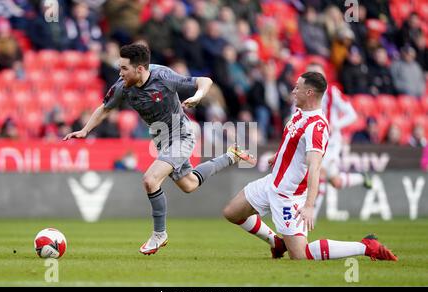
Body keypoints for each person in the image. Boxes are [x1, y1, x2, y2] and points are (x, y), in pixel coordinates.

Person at [63, 43, 256, 255]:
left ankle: (159, 234)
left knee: (150, 179)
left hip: (182, 135)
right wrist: (85, 130)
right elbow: (105, 108)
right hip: (162, 140)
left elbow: (205, 80)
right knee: (189, 184)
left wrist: (198, 96)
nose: (120, 73)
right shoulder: (122, 86)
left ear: (140, 69)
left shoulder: (163, 76)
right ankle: (231, 155)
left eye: (124, 69)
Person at [223, 72, 398, 261]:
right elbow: (292, 142)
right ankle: (277, 243)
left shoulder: (317, 127)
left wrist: (309, 206)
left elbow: (314, 167)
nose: (293, 91)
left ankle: (366, 246)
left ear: (309, 93)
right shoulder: (299, 113)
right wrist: (279, 156)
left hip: (289, 196)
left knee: (301, 255)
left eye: (297, 87)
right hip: (272, 184)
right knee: (232, 213)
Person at [305, 62, 372, 221]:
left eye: (318, 74)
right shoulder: (302, 94)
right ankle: (362, 178)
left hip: (331, 142)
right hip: (313, 140)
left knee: (319, 172)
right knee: (336, 181)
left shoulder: (332, 92)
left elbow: (352, 114)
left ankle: (310, 215)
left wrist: (335, 125)